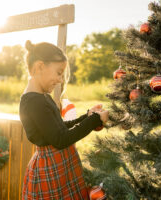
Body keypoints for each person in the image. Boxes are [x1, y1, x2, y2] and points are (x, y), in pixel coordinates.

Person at [19, 40, 109, 200]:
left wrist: (86, 116)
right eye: (59, 73)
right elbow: (60, 139)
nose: (61, 80)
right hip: (52, 166)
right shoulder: (34, 102)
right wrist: (94, 120)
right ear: (40, 67)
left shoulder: (41, 97)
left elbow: (59, 127)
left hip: (59, 162)